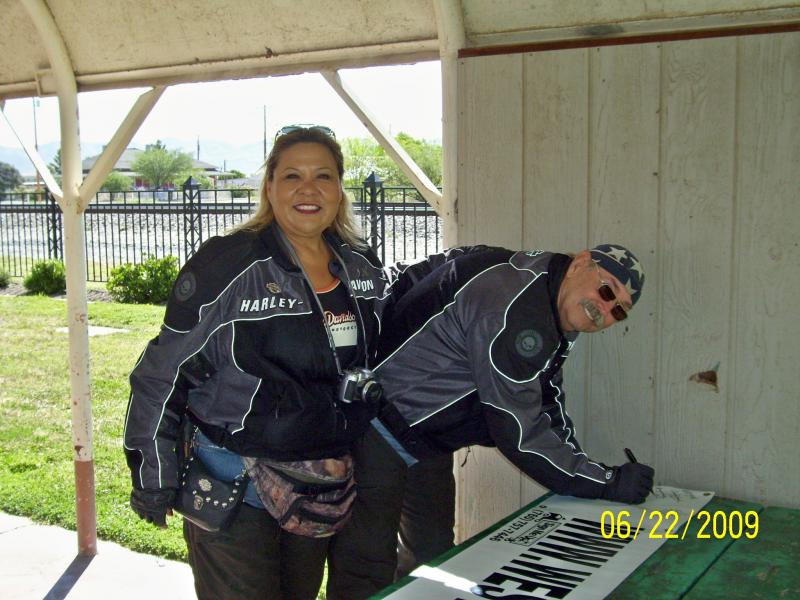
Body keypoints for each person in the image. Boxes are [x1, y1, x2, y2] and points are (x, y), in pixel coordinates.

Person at [123, 125, 395, 600]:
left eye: (323, 176)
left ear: (339, 189)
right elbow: (160, 374)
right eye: (292, 176)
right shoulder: (229, 263)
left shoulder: (359, 265)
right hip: (235, 485)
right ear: (269, 187)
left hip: (317, 486)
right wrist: (154, 475)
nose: (308, 189)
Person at [327, 243, 656, 599]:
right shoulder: (518, 308)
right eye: (606, 290)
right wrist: (605, 482)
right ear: (580, 264)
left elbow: (544, 399)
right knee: (365, 564)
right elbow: (519, 432)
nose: (604, 308)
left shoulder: (543, 291)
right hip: (378, 428)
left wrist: (588, 471)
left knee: (431, 555)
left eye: (618, 311)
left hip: (423, 439)